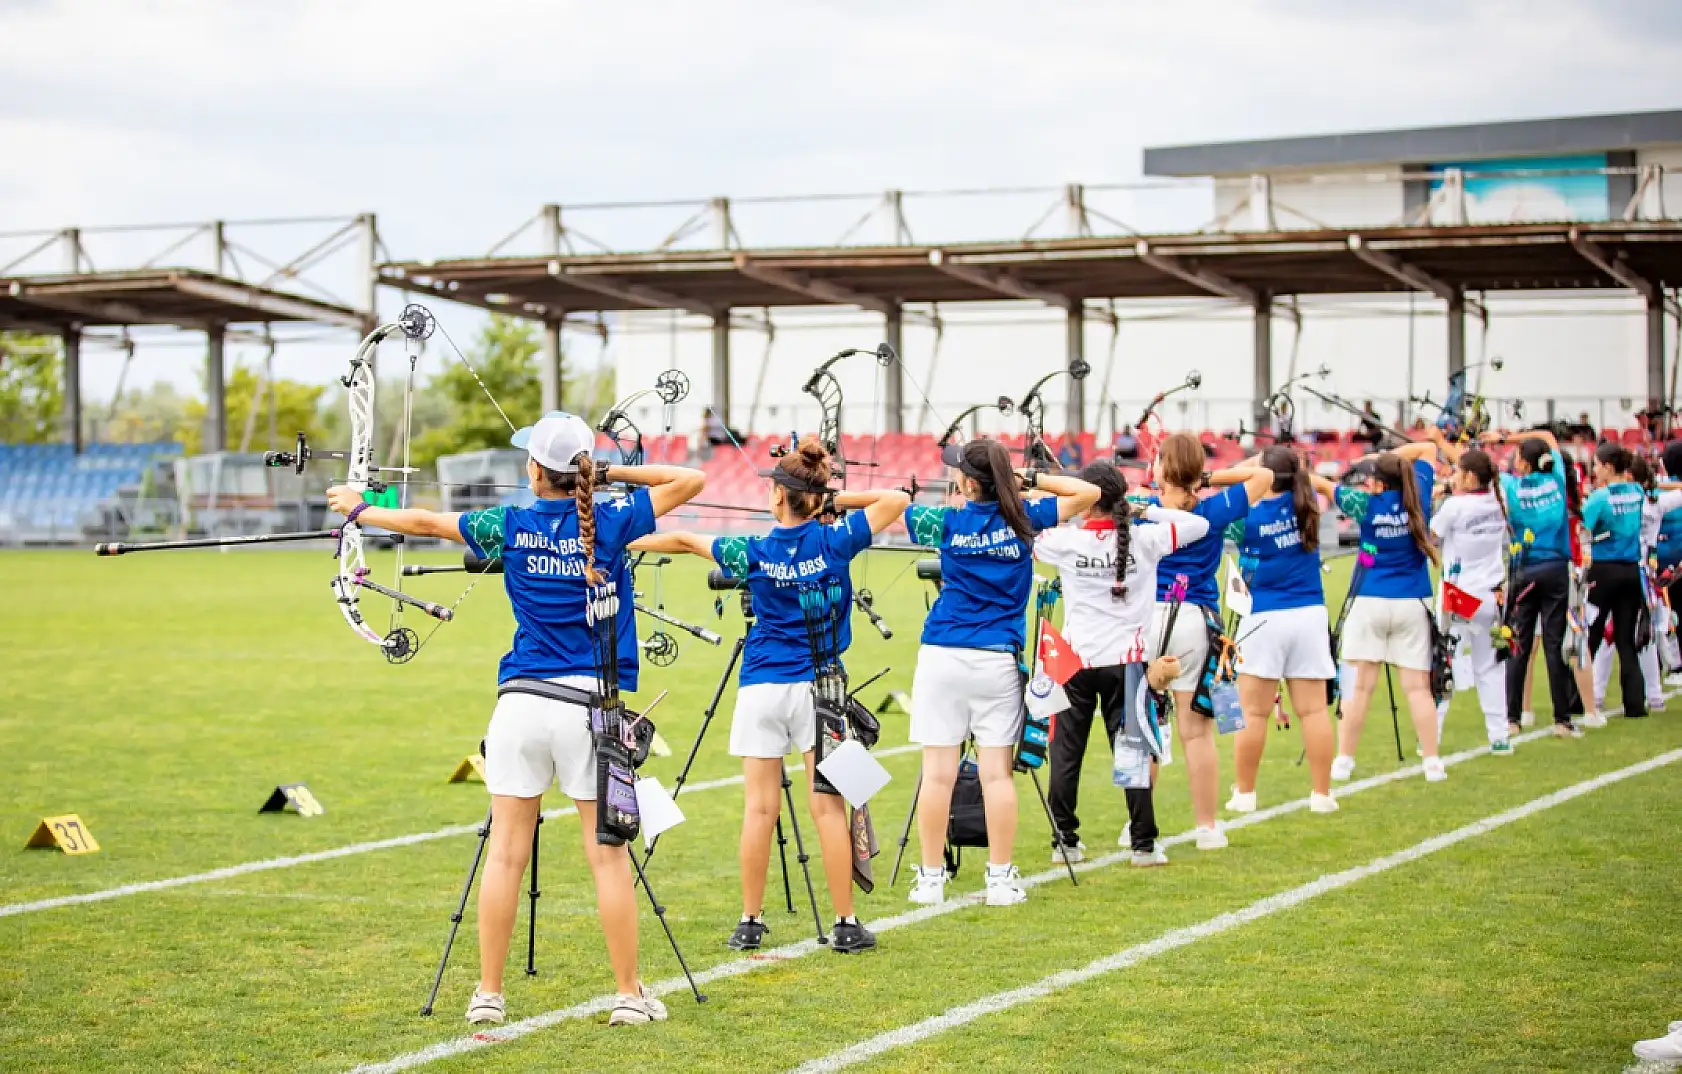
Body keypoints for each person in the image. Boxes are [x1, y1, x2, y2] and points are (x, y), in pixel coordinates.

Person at [325, 411, 705, 1027]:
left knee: (505, 854)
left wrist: (358, 508)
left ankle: (488, 995)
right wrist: (604, 471)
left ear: (534, 471)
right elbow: (690, 478)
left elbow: (423, 521)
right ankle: (630, 996)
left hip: (520, 708)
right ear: (580, 473)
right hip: (588, 711)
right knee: (607, 858)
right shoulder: (611, 520)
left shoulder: (509, 524)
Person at [628, 436, 908, 954]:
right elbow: (895, 501)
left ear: (780, 496)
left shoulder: (752, 552)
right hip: (819, 692)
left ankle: (749, 921)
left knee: (759, 810)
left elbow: (687, 542)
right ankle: (845, 922)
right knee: (827, 807)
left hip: (760, 687)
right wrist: (833, 504)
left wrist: (623, 543)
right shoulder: (835, 541)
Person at [901, 439, 1099, 907]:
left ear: (970, 484)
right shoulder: (1024, 518)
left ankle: (930, 879)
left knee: (937, 775)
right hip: (994, 660)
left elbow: (891, 508)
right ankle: (1000, 879)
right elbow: (1088, 492)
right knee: (996, 776)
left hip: (942, 655)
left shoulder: (945, 521)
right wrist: (1031, 481)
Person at [1032, 458, 1208, 866]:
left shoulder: (1066, 541)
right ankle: (1143, 845)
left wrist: (1044, 496)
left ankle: (1065, 842)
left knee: (1066, 753)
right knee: (1133, 751)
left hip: (1075, 662)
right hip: (1126, 663)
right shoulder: (1146, 538)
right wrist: (1145, 509)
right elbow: (1199, 526)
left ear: (1090, 502)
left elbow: (1027, 530)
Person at [1147, 433, 1275, 848]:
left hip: (1148, 620)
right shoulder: (1211, 508)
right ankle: (1206, 827)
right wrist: (1204, 478)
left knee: (1142, 725)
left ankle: (1138, 826)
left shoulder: (1143, 510)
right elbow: (1264, 474)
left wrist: (1184, 477)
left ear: (1163, 469)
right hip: (1193, 619)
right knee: (1195, 732)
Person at [1225, 445, 1340, 815]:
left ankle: (1245, 793)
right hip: (1309, 615)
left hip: (1264, 618)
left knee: (1253, 713)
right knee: (1314, 711)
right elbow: (1313, 485)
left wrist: (1250, 465)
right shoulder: (1308, 506)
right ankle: (1322, 794)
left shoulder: (1248, 517)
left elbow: (1230, 488)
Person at [1329, 441, 1445, 782]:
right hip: (1413, 600)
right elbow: (1426, 447)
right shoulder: (1418, 494)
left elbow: (1322, 485)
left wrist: (1366, 460)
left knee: (1357, 686)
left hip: (1369, 600)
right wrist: (1381, 460)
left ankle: (1344, 760)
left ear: (1379, 482)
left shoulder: (1365, 503)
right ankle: (1432, 762)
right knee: (1419, 688)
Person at [1485, 428, 1599, 736]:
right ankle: (1562, 720)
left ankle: (1512, 720)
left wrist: (1491, 441)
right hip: (1556, 570)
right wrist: (1511, 437)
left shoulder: (1511, 485)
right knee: (1553, 643)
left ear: (1524, 463)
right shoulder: (1557, 480)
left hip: (1524, 571)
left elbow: (1482, 468)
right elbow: (1548, 436)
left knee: (1518, 644)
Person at [1429, 436, 1516, 752]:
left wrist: (1439, 494)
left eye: (1458, 472)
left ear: (1468, 477)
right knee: (1491, 666)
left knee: (1444, 663)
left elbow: (1431, 535)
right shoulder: (1498, 496)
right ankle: (1499, 736)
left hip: (1459, 597)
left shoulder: (1454, 507)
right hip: (1492, 597)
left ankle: (1431, 738)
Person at [1592, 454, 1679, 710]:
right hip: (1642, 573)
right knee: (1643, 636)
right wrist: (1657, 486)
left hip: (1625, 568)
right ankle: (1654, 695)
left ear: (1628, 477)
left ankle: (1597, 694)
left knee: (1613, 635)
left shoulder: (1623, 501)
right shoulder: (1654, 501)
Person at [1582, 441, 1648, 717]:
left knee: (1591, 637)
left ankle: (1578, 699)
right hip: (1631, 570)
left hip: (1604, 570)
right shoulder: (1636, 491)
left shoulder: (1599, 498)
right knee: (1625, 639)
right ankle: (1635, 703)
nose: (1594, 471)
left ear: (1608, 467)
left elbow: (1583, 530)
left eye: (1596, 465)